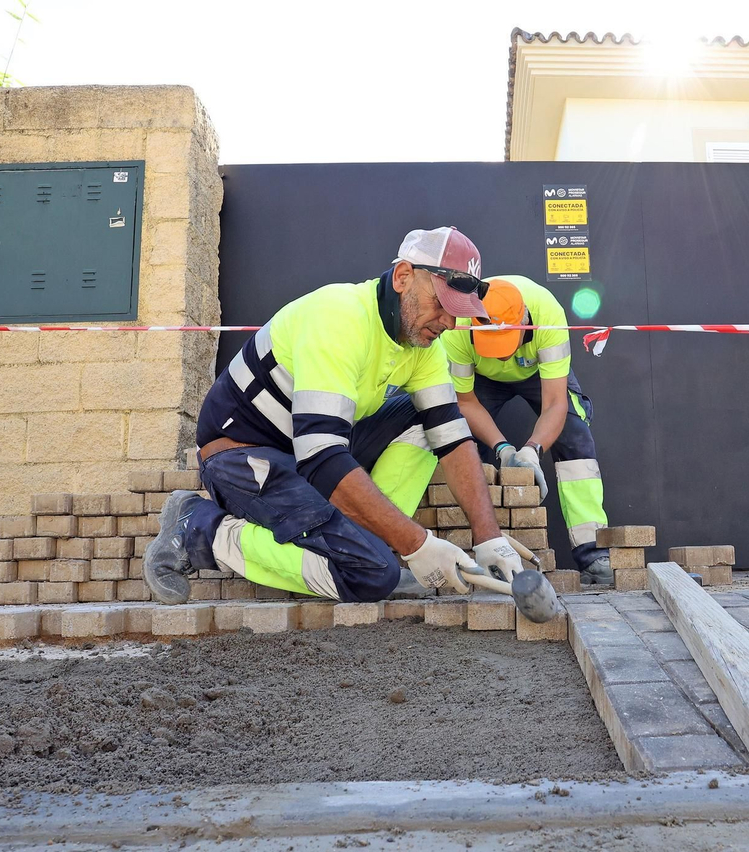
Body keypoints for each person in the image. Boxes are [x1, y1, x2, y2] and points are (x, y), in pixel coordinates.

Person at [144, 227, 522, 604]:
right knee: (371, 575)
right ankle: (199, 528)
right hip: (242, 455)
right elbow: (322, 457)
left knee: (427, 422)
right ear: (403, 276)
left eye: (458, 313)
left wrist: (489, 538)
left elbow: (453, 440)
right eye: (441, 304)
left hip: (305, 451)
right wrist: (417, 544)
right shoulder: (339, 317)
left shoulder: (422, 347)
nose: (448, 323)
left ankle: (371, 545)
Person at [440, 274, 612, 585]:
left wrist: (532, 450)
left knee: (574, 435)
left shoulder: (548, 315)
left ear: (525, 324)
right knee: (457, 435)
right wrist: (502, 448)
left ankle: (592, 549)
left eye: (504, 345)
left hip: (537, 371)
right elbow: (464, 401)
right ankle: (470, 548)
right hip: (481, 379)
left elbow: (556, 403)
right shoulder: (459, 327)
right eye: (491, 345)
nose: (501, 355)